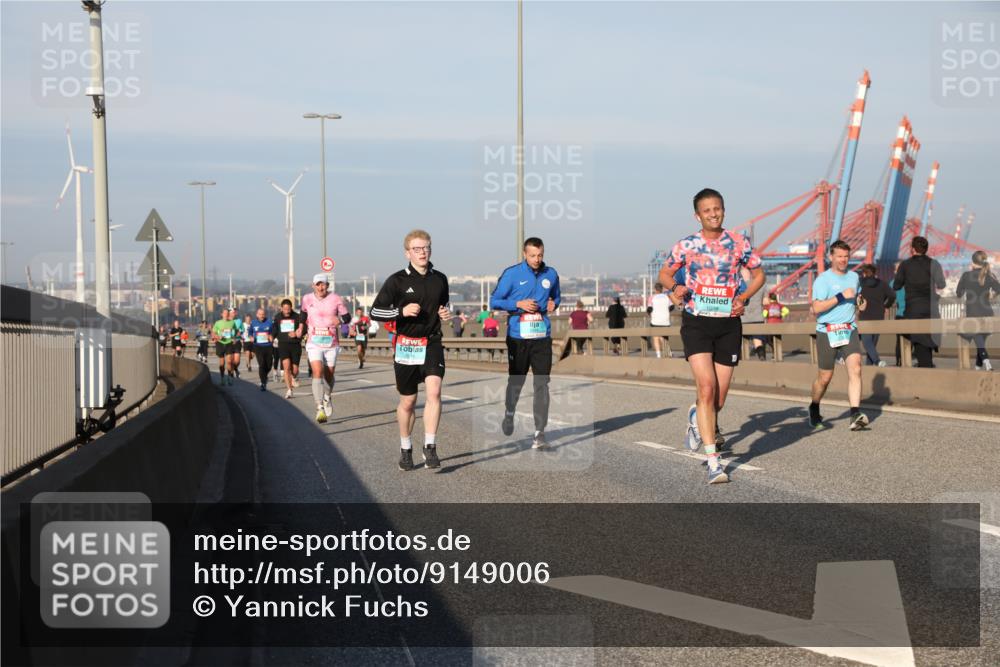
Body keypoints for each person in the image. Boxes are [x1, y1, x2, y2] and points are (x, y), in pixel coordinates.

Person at [659, 187, 764, 485]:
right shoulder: (687, 245)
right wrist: (675, 288)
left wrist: (743, 297)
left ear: (724, 210)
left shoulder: (739, 243)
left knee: (718, 397)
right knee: (706, 388)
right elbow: (665, 274)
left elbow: (759, 274)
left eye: (717, 208)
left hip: (728, 323)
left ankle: (697, 417)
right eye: (707, 210)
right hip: (697, 322)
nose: (713, 214)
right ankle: (713, 462)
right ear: (698, 216)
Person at [370, 229, 452, 471]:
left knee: (434, 392)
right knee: (408, 401)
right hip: (406, 344)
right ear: (408, 253)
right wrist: (401, 311)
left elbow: (443, 304)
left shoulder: (440, 278)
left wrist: (444, 312)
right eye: (417, 249)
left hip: (432, 342)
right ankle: (406, 448)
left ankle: (430, 446)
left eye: (426, 248)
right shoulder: (396, 281)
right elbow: (375, 311)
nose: (422, 252)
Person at [490, 237, 561, 449]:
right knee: (517, 381)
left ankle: (539, 434)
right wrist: (518, 303)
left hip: (541, 337)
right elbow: (494, 301)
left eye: (540, 255)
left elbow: (557, 297)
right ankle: (509, 412)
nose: (537, 259)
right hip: (518, 337)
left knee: (542, 383)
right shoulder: (512, 274)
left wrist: (554, 304)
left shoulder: (551, 274)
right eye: (532, 255)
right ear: (524, 254)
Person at [809, 240, 869, 431]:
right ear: (831, 257)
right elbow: (816, 308)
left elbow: (858, 298)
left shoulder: (854, 277)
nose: (843, 260)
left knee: (856, 368)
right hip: (827, 331)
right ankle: (814, 406)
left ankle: (855, 414)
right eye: (839, 256)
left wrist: (861, 302)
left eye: (846, 256)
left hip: (849, 328)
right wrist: (841, 296)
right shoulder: (823, 280)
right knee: (825, 377)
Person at [301, 274, 350, 423]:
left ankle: (327, 397)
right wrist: (300, 328)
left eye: (323, 284)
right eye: (318, 284)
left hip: (331, 342)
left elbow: (347, 317)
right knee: (317, 371)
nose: (321, 287)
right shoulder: (307, 299)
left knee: (329, 374)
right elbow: (303, 314)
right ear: (313, 285)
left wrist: (339, 320)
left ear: (328, 286)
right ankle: (319, 407)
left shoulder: (336, 299)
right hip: (314, 341)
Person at [892, 236, 946, 367]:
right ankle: (927, 366)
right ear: (926, 249)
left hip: (913, 309)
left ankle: (924, 369)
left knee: (919, 341)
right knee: (927, 341)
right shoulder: (934, 263)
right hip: (931, 309)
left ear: (912, 249)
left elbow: (896, 286)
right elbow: (941, 284)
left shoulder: (905, 265)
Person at [956, 250, 999, 371]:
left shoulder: (966, 275)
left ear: (973, 262)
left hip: (973, 313)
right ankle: (978, 367)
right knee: (981, 341)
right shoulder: (989, 276)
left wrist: (965, 289)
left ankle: (986, 360)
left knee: (977, 338)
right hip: (987, 313)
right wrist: (992, 296)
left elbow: (959, 294)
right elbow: (999, 288)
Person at [856, 263, 896, 367]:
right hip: (878, 316)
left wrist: (859, 306)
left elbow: (857, 297)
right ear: (874, 273)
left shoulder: (860, 284)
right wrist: (886, 305)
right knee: (872, 344)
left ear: (864, 273)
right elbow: (892, 295)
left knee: (867, 342)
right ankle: (869, 368)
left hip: (865, 316)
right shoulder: (882, 284)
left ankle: (877, 361)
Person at [271, 298, 304, 398]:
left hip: (295, 345)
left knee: (294, 370)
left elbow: (304, 329)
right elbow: (274, 329)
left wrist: (297, 334)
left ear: (291, 308)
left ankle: (294, 377)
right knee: (286, 367)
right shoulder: (277, 317)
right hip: (283, 345)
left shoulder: (297, 317)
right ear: (281, 308)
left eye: (288, 309)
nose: (286, 311)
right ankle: (289, 390)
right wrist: (272, 336)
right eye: (285, 309)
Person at [211, 308, 240, 386]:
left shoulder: (232, 322)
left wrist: (235, 338)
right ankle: (222, 378)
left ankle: (229, 377)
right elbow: (213, 333)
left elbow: (236, 331)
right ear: (222, 314)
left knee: (229, 361)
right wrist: (217, 336)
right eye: (224, 313)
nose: (226, 315)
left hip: (229, 343)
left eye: (227, 313)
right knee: (222, 363)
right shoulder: (218, 323)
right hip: (220, 343)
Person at [249, 308, 274, 391]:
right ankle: (263, 383)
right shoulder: (253, 323)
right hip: (258, 346)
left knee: (269, 365)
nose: (261, 316)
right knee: (262, 364)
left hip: (268, 346)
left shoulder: (269, 322)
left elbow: (273, 332)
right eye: (260, 314)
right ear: (257, 315)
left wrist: (271, 336)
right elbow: (250, 332)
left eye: (263, 314)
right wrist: (251, 337)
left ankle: (264, 376)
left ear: (265, 315)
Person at [647, 283, 673, 358]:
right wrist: (666, 311)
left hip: (655, 321)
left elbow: (649, 309)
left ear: (655, 289)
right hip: (665, 321)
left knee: (656, 337)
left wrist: (650, 314)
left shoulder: (652, 297)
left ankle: (658, 355)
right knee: (664, 337)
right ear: (662, 289)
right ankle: (669, 352)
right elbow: (672, 307)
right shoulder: (667, 297)